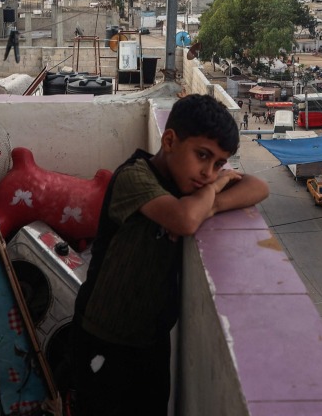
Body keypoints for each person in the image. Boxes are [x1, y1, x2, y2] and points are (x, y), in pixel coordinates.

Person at [58, 94, 269, 415]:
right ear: (169, 140)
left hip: (150, 341)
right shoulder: (135, 176)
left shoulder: (190, 187)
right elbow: (184, 220)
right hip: (103, 338)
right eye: (202, 156)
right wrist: (210, 193)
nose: (209, 172)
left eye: (218, 164)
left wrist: (208, 205)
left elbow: (258, 186)